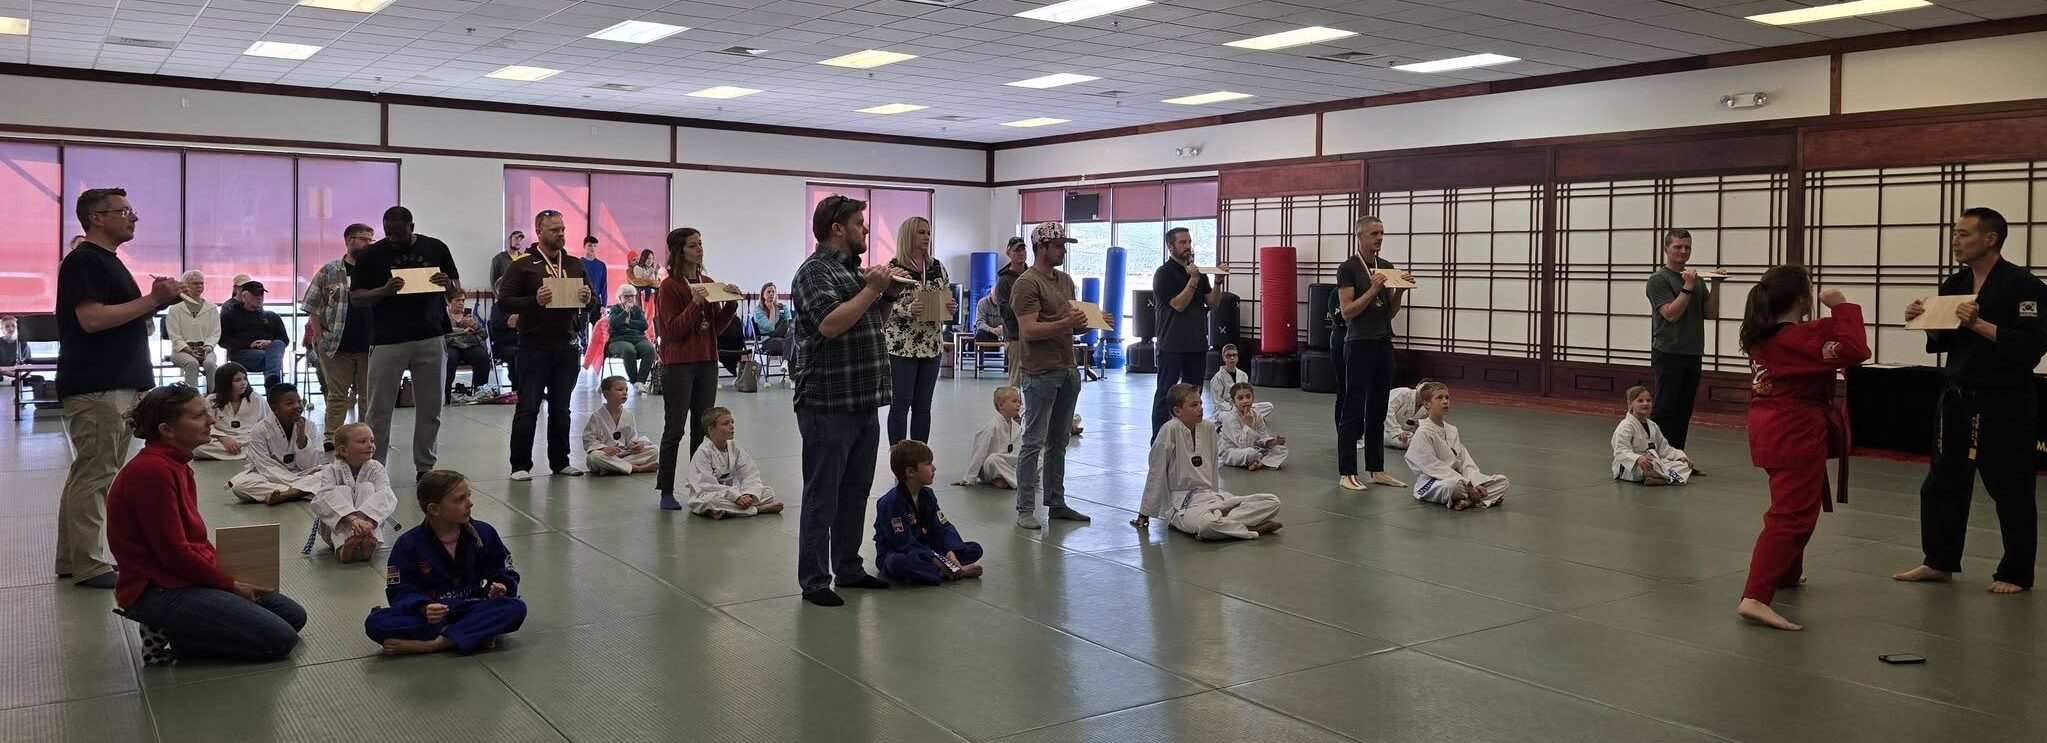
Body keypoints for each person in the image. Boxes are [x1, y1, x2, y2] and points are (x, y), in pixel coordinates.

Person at [1894, 207, 2047, 596]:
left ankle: (2016, 572)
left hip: (2004, 401)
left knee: (2010, 486)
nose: (1955, 241)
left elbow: (2031, 348)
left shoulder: (2024, 286)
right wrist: (1925, 321)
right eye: (1955, 233)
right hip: (1957, 395)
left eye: (1964, 234)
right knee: (1942, 481)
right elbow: (1945, 340)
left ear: (1990, 238)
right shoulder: (1956, 283)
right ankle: (1939, 561)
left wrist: (1977, 323)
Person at [108, 384, 307, 663]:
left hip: (184, 576)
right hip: (158, 589)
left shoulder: (177, 464)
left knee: (292, 616)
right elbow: (173, 553)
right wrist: (230, 585)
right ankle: (178, 639)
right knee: (280, 640)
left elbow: (193, 542)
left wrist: (226, 577)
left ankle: (189, 627)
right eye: (199, 415)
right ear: (167, 430)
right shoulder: (152, 472)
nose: (211, 420)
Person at [55, 187, 181, 589]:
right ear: (96, 218)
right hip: (99, 384)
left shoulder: (108, 261)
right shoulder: (85, 261)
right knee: (96, 474)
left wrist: (157, 302)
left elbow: (123, 317)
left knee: (91, 472)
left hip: (116, 381)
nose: (134, 217)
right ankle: (90, 564)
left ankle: (73, 558)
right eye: (124, 211)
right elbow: (91, 319)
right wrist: (152, 299)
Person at [791, 194, 908, 606]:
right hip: (827, 403)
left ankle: (849, 567)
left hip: (862, 400)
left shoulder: (853, 272)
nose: (866, 228)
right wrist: (872, 288)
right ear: (837, 229)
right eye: (859, 222)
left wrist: (886, 297)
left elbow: (869, 321)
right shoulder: (814, 272)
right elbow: (830, 324)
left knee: (856, 491)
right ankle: (814, 581)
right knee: (822, 495)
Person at [1736, 267, 1869, 630]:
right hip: (1794, 429)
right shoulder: (1798, 338)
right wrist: (1842, 307)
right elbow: (1856, 350)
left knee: (1792, 502)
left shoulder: (1765, 336)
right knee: (1791, 513)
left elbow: (1826, 341)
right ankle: (1755, 596)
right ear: (1801, 298)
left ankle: (1786, 572)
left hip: (1770, 426)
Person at [364, 470, 526, 656]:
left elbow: (503, 570)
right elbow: (400, 589)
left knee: (515, 608)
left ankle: (438, 643)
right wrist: (423, 607)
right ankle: (476, 633)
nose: (470, 503)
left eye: (468, 496)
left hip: (473, 604)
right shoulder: (409, 543)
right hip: (435, 615)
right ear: (434, 509)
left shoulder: (484, 533)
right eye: (460, 499)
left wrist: (500, 587)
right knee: (376, 623)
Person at [351, 206, 460, 476]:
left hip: (430, 336)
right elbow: (357, 297)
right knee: (378, 411)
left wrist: (447, 284)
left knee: (431, 408)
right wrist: (384, 290)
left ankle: (425, 467)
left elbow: (456, 289)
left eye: (398, 233)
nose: (393, 239)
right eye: (388, 233)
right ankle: (373, 468)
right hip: (387, 340)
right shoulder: (371, 255)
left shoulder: (436, 248)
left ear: (412, 227)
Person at [497, 209, 594, 482]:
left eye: (562, 229)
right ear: (539, 232)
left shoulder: (574, 264)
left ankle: (561, 461)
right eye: (554, 230)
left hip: (567, 346)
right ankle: (520, 465)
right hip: (534, 347)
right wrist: (533, 301)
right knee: (528, 407)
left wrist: (588, 298)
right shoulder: (522, 265)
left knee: (562, 408)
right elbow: (504, 301)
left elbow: (594, 302)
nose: (560, 234)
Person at [1011, 222, 1095, 530]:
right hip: (1039, 372)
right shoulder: (1026, 284)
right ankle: (1025, 508)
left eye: (1064, 246)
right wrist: (1066, 323)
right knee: (1033, 441)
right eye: (1058, 246)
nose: (1063, 251)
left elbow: (1070, 325)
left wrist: (1090, 322)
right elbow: (1028, 330)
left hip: (1067, 368)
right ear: (1041, 248)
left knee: (1059, 441)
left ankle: (1056, 502)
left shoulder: (1065, 280)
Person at [653, 227, 740, 504]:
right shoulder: (670, 286)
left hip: (707, 362)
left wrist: (731, 304)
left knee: (702, 431)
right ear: (679, 251)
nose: (699, 249)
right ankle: (667, 490)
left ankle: (699, 487)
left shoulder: (708, 282)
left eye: (700, 244)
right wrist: (695, 303)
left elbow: (715, 328)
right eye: (692, 245)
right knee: (674, 429)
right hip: (679, 365)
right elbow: (674, 329)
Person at [1133, 383, 1283, 540]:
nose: (1200, 408)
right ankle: (1251, 528)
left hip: (1211, 497)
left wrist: (1216, 499)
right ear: (1178, 411)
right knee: (1207, 525)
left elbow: (1212, 467)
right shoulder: (1169, 429)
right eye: (1194, 405)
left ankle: (1226, 525)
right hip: (1184, 503)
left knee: (1272, 501)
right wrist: (1145, 512)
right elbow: (1156, 471)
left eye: (1200, 403)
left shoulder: (1208, 428)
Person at [1334, 216, 1410, 492]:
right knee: (1353, 408)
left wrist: (1399, 292)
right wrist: (1374, 289)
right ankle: (1347, 472)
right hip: (1358, 344)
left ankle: (1376, 469)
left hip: (1383, 342)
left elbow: (1388, 312)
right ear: (1360, 236)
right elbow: (1347, 312)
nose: (1379, 238)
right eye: (1374, 233)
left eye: (1382, 233)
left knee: (1378, 409)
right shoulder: (1349, 268)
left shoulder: (1386, 266)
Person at [1645, 229, 1726, 452]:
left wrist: (1716, 284)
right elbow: (1671, 314)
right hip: (1668, 352)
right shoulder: (1658, 280)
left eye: (1687, 247)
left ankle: (1677, 457)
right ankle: (1657, 457)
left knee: (1684, 409)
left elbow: (1710, 313)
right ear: (1666, 249)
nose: (1683, 251)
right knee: (1665, 408)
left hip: (1693, 352)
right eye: (1678, 247)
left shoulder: (1696, 280)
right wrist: (1688, 286)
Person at [302, 223, 375, 446]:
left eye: (370, 240)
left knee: (368, 396)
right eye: (363, 239)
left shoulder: (376, 270)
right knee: (337, 396)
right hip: (336, 345)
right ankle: (332, 437)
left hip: (370, 345)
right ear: (349, 241)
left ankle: (366, 437)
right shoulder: (330, 271)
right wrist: (320, 338)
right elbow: (312, 306)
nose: (368, 244)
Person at [884, 216, 954, 444]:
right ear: (908, 236)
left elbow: (946, 294)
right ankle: (898, 457)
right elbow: (882, 305)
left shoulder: (937, 267)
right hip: (902, 346)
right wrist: (907, 309)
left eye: (928, 232)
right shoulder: (893, 268)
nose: (927, 237)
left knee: (923, 406)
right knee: (900, 404)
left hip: (931, 345)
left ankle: (919, 456)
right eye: (921, 233)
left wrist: (949, 306)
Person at [875, 440, 984, 585]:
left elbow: (942, 527)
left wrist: (950, 553)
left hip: (927, 547)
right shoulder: (891, 502)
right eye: (928, 464)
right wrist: (938, 561)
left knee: (974, 548)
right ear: (910, 472)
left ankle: (942, 569)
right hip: (900, 552)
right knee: (899, 563)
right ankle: (954, 572)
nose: (934, 468)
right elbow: (904, 542)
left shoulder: (927, 495)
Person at [299, 422, 400, 563]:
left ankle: (366, 542)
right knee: (341, 490)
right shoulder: (331, 470)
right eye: (363, 442)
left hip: (370, 525)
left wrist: (369, 522)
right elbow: (324, 498)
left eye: (372, 441)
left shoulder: (376, 468)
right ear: (343, 451)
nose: (370, 445)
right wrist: (353, 519)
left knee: (367, 488)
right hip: (336, 528)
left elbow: (386, 495)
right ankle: (343, 548)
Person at [1404, 381, 1509, 510]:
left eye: (1447, 397)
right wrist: (1467, 484)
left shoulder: (1452, 430)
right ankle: (1478, 498)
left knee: (1502, 481)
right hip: (1434, 481)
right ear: (1427, 404)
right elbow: (1430, 465)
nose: (1445, 401)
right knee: (1453, 487)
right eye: (1439, 398)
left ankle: (1468, 501)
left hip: (1461, 479)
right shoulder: (1423, 431)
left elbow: (1464, 461)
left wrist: (1474, 482)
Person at [1151, 226, 1213, 435]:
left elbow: (1213, 303)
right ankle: (1159, 441)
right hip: (1172, 345)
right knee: (1165, 396)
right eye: (1182, 242)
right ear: (1170, 247)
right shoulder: (1163, 274)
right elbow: (1178, 304)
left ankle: (1190, 438)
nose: (1188, 246)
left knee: (1194, 396)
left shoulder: (1198, 273)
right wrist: (1193, 280)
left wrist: (1218, 281)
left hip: (1197, 344)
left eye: (1189, 242)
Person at [226, 383, 324, 504]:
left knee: (328, 472)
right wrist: (298, 482)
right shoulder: (260, 429)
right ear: (274, 408)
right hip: (271, 476)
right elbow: (265, 466)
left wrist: (302, 441)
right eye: (290, 403)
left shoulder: (309, 425)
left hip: (301, 472)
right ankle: (299, 492)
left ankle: (287, 493)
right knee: (240, 486)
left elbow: (313, 465)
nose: (298, 406)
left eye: (299, 401)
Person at [686, 406, 783, 517]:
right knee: (711, 502)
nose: (731, 426)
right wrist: (735, 496)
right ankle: (757, 509)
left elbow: (750, 473)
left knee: (768, 492)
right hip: (707, 495)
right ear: (711, 430)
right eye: (725, 423)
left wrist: (747, 494)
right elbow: (706, 486)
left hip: (731, 495)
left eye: (732, 422)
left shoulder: (734, 447)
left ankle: (726, 511)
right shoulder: (703, 452)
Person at [219, 275, 290, 390]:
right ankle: (273, 386)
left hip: (268, 350)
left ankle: (270, 381)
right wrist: (250, 344)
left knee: (278, 344)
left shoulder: (272, 316)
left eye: (261, 294)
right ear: (244, 296)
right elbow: (223, 341)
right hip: (242, 353)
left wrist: (269, 342)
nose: (259, 297)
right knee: (271, 358)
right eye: (255, 294)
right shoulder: (230, 316)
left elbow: (284, 340)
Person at [1612, 386, 1692, 486]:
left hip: (1652, 463)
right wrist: (1637, 458)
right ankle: (1666, 478)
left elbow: (1665, 448)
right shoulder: (1626, 426)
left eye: (1648, 400)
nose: (1645, 403)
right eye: (1640, 400)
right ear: (1630, 404)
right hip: (1631, 467)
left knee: (1684, 465)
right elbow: (1620, 450)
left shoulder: (1653, 426)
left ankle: (1662, 478)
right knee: (1654, 465)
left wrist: (1679, 456)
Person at [584, 376, 661, 476]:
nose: (625, 392)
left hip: (624, 454)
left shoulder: (628, 415)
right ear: (606, 393)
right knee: (594, 457)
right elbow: (589, 440)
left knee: (654, 450)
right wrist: (603, 448)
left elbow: (632, 439)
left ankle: (611, 467)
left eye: (626, 390)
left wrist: (637, 444)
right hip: (606, 455)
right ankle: (636, 468)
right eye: (620, 390)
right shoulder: (597, 416)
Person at [953, 386, 1022, 490]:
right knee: (994, 459)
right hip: (990, 468)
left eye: (1019, 401)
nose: (1018, 404)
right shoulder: (991, 427)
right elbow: (979, 453)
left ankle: (1005, 479)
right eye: (1014, 401)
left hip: (1007, 465)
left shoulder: (1017, 427)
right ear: (1001, 405)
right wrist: (968, 478)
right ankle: (1019, 480)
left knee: (1037, 459)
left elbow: (1015, 453)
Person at [195, 363, 265, 461]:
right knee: (197, 448)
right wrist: (223, 438)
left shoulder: (257, 399)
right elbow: (206, 425)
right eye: (237, 380)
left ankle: (246, 453)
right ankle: (249, 455)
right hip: (221, 440)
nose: (243, 383)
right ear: (225, 382)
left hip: (249, 439)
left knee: (265, 445)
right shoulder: (211, 400)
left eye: (245, 379)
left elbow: (266, 424)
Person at [165, 271, 220, 390]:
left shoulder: (211, 308)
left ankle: (214, 396)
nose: (199, 286)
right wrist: (189, 350)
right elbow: (175, 336)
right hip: (181, 351)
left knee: (210, 363)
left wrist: (207, 348)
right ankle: (191, 396)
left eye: (201, 283)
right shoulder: (174, 309)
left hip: (206, 350)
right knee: (192, 363)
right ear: (185, 285)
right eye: (195, 283)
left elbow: (215, 333)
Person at [1218, 383, 1288, 470]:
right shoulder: (1230, 418)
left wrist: (1271, 442)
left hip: (1255, 448)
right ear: (1233, 402)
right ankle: (1262, 460)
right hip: (1233, 451)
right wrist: (1247, 425)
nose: (1245, 401)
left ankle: (1259, 463)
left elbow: (1263, 436)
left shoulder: (1256, 415)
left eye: (1248, 397)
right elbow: (1243, 445)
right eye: (1240, 398)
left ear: (1253, 398)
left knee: (1280, 449)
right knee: (1250, 453)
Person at [606, 287, 656, 392]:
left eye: (632, 296)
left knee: (649, 349)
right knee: (629, 350)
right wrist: (625, 311)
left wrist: (628, 322)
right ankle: (634, 381)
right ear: (620, 298)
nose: (630, 299)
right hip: (619, 339)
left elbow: (644, 325)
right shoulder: (615, 309)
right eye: (626, 296)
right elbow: (614, 324)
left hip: (638, 338)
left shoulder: (637, 309)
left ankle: (640, 381)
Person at [993, 236, 1029, 387]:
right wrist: (1023, 306)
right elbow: (1004, 311)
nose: (1021, 253)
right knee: (1016, 382)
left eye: (1023, 249)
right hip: (1015, 337)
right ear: (1009, 253)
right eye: (1016, 250)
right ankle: (1014, 403)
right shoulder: (1004, 281)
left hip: (1035, 336)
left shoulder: (1033, 275)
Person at [443, 291, 491, 398]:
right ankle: (446, 394)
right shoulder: (444, 317)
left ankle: (480, 392)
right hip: (452, 345)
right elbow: (443, 335)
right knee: (449, 357)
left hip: (470, 345)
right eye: (457, 300)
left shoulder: (471, 317)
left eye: (463, 300)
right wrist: (463, 331)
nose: (461, 303)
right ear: (449, 302)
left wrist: (475, 325)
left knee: (482, 356)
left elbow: (484, 335)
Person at [1206, 344, 1267, 423]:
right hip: (1225, 410)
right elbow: (1218, 401)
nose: (1232, 358)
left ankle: (1243, 417)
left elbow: (1246, 394)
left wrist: (1245, 405)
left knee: (1268, 406)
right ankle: (1249, 417)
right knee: (1229, 416)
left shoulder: (1243, 375)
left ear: (1237, 358)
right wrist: (1234, 408)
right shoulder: (1217, 377)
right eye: (1228, 355)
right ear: (1224, 358)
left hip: (1242, 405)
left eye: (1234, 355)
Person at [1383, 379, 1431, 450]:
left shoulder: (1428, 407)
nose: (1426, 391)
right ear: (1417, 385)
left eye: (1430, 390)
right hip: (1384, 425)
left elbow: (1422, 426)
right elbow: (1387, 410)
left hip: (1405, 432)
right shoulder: (1404, 393)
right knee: (1404, 441)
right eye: (1425, 387)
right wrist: (1398, 431)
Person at [751, 282, 791, 357]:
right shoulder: (759, 311)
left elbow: (791, 324)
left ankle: (787, 362)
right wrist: (772, 309)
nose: (771, 294)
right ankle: (787, 362)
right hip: (768, 340)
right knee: (790, 345)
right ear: (763, 295)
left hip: (785, 337)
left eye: (773, 292)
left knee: (796, 343)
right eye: (768, 292)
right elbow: (770, 328)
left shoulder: (783, 308)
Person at [580, 235, 609, 334]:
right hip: (582, 301)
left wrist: (604, 304)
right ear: (584, 246)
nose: (592, 248)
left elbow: (604, 286)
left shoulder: (601, 265)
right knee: (582, 331)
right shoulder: (579, 263)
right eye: (589, 245)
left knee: (598, 331)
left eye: (594, 246)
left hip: (596, 301)